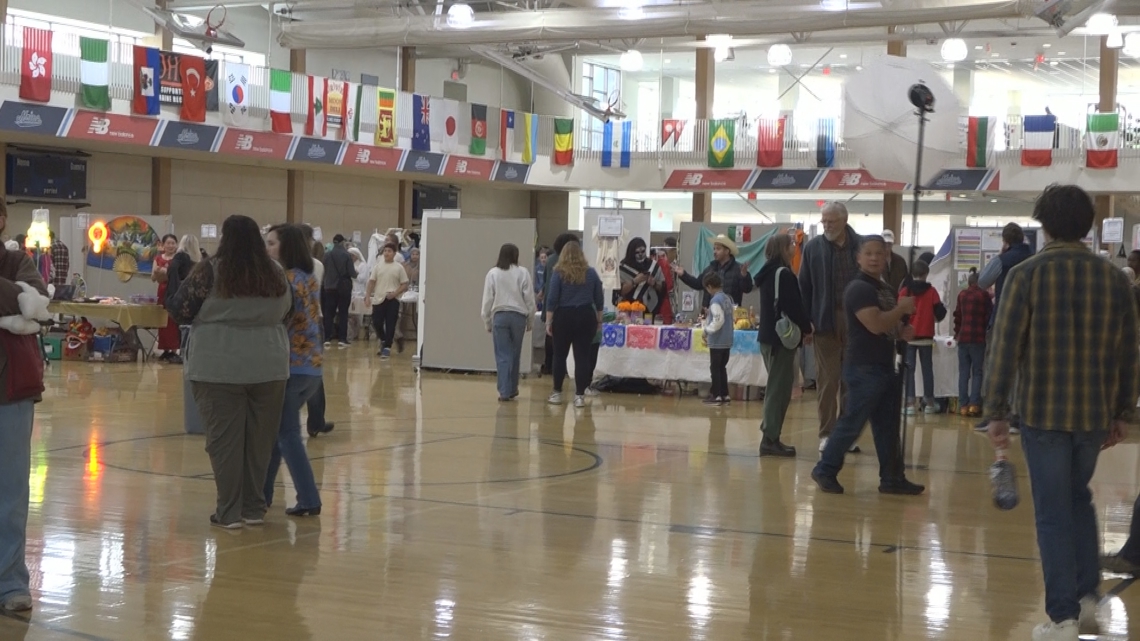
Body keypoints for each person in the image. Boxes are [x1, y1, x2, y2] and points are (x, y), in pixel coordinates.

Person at [985, 185, 1139, 641]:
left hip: (1043, 413)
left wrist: (994, 410)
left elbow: (1005, 348)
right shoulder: (1115, 279)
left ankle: (1062, 617)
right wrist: (1122, 412)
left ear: (1044, 224)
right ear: (1089, 225)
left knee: (1052, 512)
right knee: (1078, 499)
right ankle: (1088, 599)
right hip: (1092, 415)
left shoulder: (1026, 275)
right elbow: (1129, 354)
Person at [168, 215, 291, 529]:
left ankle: (229, 511)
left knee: (225, 442)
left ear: (225, 238)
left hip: (217, 364)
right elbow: (291, 310)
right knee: (260, 442)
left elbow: (179, 307)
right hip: (270, 364)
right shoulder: (275, 272)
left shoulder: (210, 270)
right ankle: (253, 508)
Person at [811, 235, 923, 496]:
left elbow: (887, 327)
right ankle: (825, 468)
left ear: (887, 258)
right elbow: (875, 323)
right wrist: (901, 309)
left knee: (888, 426)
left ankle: (892, 477)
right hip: (864, 367)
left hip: (883, 364)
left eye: (879, 253)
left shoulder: (883, 289)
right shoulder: (859, 289)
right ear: (859, 258)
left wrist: (900, 331)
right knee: (852, 422)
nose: (874, 258)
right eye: (868, 253)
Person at [0, 225, 51, 614]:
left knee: (12, 492)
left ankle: (11, 582)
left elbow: (34, 306)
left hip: (10, 390)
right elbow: (18, 304)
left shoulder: (20, 261)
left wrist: (18, 303)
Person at [263, 224, 324, 517]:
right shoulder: (309, 277)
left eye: (272, 244)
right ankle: (262, 494)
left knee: (287, 436)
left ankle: (309, 498)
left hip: (292, 365)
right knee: (278, 434)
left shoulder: (285, 280)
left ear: (284, 248)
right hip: (312, 366)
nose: (267, 249)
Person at [799, 201, 863, 453]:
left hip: (857, 322)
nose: (826, 225)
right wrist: (807, 322)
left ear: (844, 220)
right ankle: (827, 433)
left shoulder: (861, 246)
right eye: (823, 221)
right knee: (828, 381)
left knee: (851, 381)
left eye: (831, 221)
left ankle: (846, 434)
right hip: (825, 321)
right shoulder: (813, 248)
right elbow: (804, 286)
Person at [755, 233, 812, 457]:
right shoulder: (784, 274)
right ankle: (769, 438)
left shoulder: (766, 273)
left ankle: (772, 436)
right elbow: (794, 306)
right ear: (782, 248)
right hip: (780, 340)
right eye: (791, 244)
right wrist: (807, 328)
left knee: (778, 388)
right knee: (778, 391)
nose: (794, 246)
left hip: (768, 337)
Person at [975, 223, 1033, 434]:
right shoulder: (1034, 258)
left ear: (1005, 241)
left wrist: (1001, 255)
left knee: (996, 366)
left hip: (1004, 318)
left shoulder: (1003, 259)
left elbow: (982, 282)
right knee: (1023, 369)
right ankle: (1018, 417)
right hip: (1030, 320)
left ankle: (994, 415)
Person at [546, 241, 603, 408]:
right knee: (582, 357)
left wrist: (549, 321)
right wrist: (599, 320)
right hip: (586, 315)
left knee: (559, 355)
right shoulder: (591, 273)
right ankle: (579, 395)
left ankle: (557, 392)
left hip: (564, 316)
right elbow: (599, 299)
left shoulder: (558, 273)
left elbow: (552, 299)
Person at [481, 243, 536, 402]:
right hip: (518, 317)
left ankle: (504, 391)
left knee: (503, 354)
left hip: (500, 316)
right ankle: (512, 388)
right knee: (515, 353)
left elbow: (487, 300)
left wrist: (487, 321)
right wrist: (530, 320)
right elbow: (530, 299)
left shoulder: (493, 273)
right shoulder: (523, 272)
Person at [898, 260, 946, 415]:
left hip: (909, 336)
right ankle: (929, 403)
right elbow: (940, 313)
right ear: (926, 274)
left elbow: (900, 313)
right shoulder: (932, 292)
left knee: (909, 370)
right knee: (927, 369)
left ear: (912, 274)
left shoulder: (905, 291)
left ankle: (910, 403)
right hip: (926, 335)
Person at [674, 234, 752, 309]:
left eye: (718, 249)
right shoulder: (710, 269)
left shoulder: (738, 269)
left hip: (729, 314)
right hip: (710, 313)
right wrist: (683, 274)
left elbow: (747, 289)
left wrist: (744, 275)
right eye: (714, 249)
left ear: (727, 251)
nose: (714, 252)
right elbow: (698, 284)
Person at [952, 267, 992, 417]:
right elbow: (989, 315)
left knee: (963, 373)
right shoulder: (984, 295)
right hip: (978, 338)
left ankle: (963, 405)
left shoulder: (962, 295)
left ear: (968, 282)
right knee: (977, 372)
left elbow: (958, 317)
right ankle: (974, 405)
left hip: (963, 338)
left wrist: (957, 334)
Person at [306, 237, 334, 439]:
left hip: (309, 322)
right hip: (313, 322)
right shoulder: (317, 264)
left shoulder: (314, 266)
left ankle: (316, 421)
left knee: (313, 374)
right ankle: (315, 421)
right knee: (313, 374)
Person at [542, 233, 579, 375]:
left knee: (549, 335)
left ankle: (548, 364)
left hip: (550, 301)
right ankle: (562, 367)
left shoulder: (551, 260)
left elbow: (546, 281)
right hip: (563, 304)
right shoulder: (569, 262)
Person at [365, 243, 409, 360]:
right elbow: (371, 282)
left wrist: (395, 293)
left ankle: (387, 348)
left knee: (390, 324)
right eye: (385, 251)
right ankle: (384, 339)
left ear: (394, 254)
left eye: (389, 251)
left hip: (392, 299)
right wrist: (368, 296)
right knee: (377, 322)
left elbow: (404, 284)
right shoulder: (378, 267)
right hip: (379, 299)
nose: (387, 253)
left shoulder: (399, 267)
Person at [166, 235, 202, 365]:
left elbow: (172, 270)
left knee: (183, 327)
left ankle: (183, 353)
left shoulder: (180, 256)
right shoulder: (198, 260)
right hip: (196, 298)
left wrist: (173, 291)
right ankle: (189, 353)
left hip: (181, 296)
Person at [700, 272, 733, 406]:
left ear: (709, 287)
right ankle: (725, 394)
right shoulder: (727, 298)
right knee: (722, 368)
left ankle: (716, 395)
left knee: (715, 368)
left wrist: (706, 330)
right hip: (727, 340)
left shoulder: (715, 300)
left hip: (718, 341)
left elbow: (718, 320)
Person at [321, 234, 356, 348]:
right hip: (343, 288)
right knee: (343, 313)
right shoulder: (346, 255)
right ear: (342, 242)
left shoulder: (327, 255)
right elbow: (352, 273)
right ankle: (342, 339)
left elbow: (323, 270)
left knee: (328, 313)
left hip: (329, 287)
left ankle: (327, 338)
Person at [153, 234, 182, 362]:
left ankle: (174, 349)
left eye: (173, 243)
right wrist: (157, 272)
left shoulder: (179, 259)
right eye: (168, 243)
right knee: (163, 320)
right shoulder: (158, 259)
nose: (170, 246)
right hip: (162, 291)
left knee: (173, 320)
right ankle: (164, 349)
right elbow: (153, 278)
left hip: (175, 291)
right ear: (163, 245)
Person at [618, 237, 665, 317]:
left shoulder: (653, 266)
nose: (640, 254)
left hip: (649, 308)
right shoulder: (623, 267)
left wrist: (654, 283)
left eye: (643, 251)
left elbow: (663, 288)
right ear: (631, 252)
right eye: (637, 252)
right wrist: (634, 281)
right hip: (629, 308)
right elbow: (619, 291)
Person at [655, 237, 678, 324]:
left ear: (673, 251)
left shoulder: (677, 265)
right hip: (665, 300)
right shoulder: (662, 264)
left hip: (673, 299)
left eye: (666, 250)